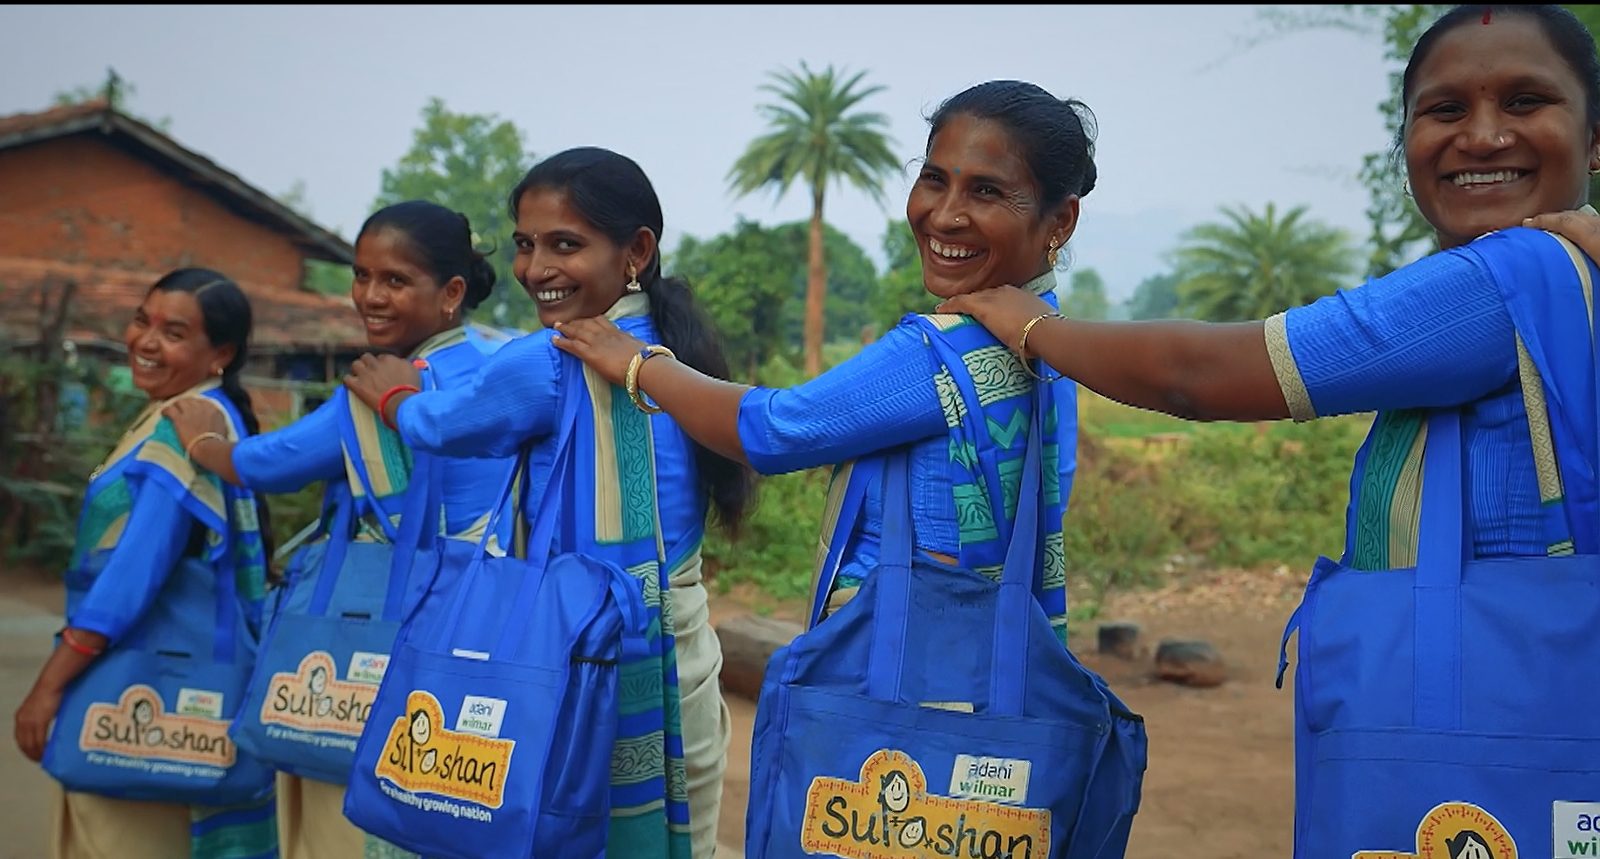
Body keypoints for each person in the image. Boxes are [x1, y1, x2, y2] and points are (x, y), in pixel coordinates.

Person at [937, 5, 1600, 855]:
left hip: (1498, 744)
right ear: (1403, 143)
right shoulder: (1573, 278)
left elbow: (1202, 375)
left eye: (1524, 101)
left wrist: (1034, 327)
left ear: (1591, 138)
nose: (1480, 135)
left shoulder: (1513, 274)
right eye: (1443, 111)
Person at [554, 80, 1089, 644]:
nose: (946, 215)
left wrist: (639, 363)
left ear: (1060, 223)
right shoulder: (1048, 332)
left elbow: (774, 430)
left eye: (986, 192)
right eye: (934, 179)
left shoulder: (944, 353)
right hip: (989, 650)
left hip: (899, 670)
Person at [341, 147, 754, 858]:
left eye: (566, 244)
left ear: (637, 250)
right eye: (526, 245)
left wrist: (394, 394)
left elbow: (442, 426)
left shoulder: (553, 357)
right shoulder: (672, 353)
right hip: (679, 646)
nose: (536, 269)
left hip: (576, 649)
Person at [163, 200, 515, 859]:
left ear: (452, 292)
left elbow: (272, 464)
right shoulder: (501, 364)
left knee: (344, 816)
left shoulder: (376, 389)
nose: (370, 297)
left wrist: (209, 447)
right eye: (361, 276)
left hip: (379, 630)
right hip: (479, 623)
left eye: (395, 280)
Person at [13, 268, 277, 859]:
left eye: (174, 332)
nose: (146, 342)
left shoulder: (180, 432)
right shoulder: (194, 417)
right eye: (142, 321)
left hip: (139, 684)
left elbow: (130, 578)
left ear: (222, 353)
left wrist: (48, 687)